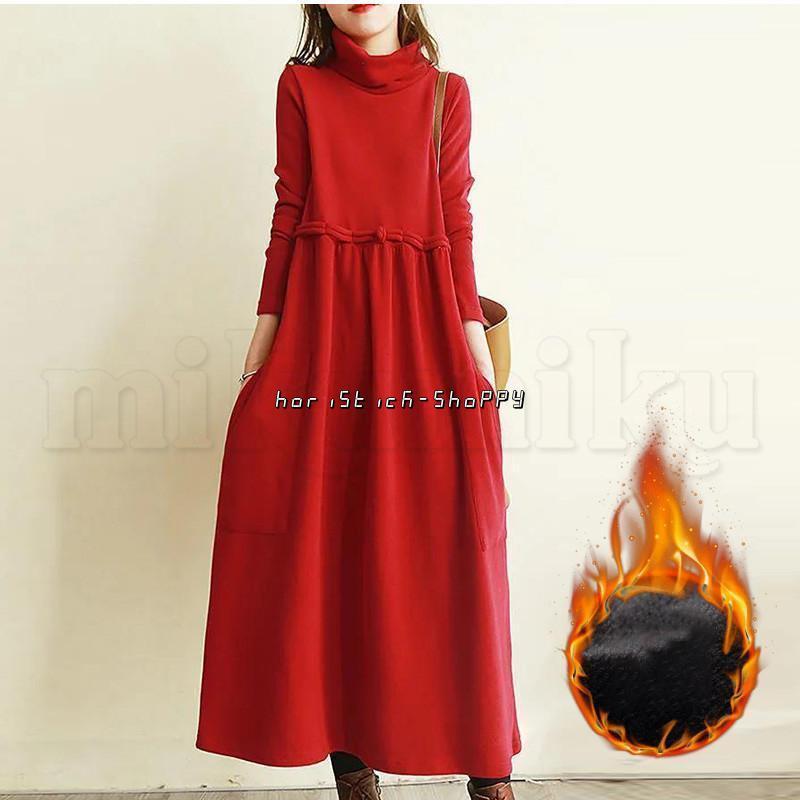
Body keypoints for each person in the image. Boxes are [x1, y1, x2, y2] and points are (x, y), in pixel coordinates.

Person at [196, 5, 521, 798]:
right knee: (331, 540)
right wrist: (265, 341)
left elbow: (454, 218)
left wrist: (475, 355)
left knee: (455, 542)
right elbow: (289, 211)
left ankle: (490, 775)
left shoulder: (445, 93)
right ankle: (354, 772)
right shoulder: (301, 88)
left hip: (423, 330)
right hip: (325, 332)